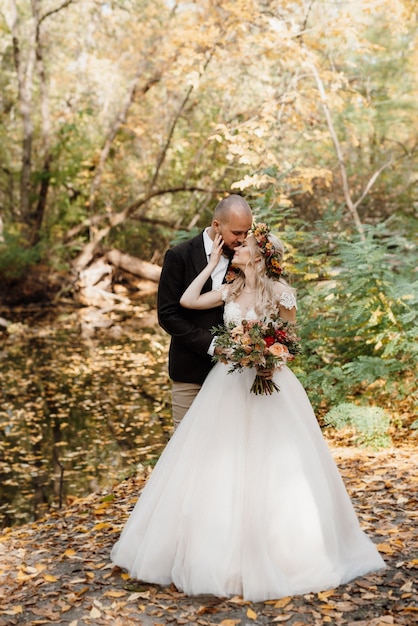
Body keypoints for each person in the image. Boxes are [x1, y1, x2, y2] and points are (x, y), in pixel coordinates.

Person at [111, 223, 385, 602]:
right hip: (226, 383)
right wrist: (208, 268)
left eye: (245, 244)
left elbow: (290, 342)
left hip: (272, 385)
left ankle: (284, 548)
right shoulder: (231, 288)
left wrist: (272, 358)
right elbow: (188, 302)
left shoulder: (283, 294)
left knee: (272, 464)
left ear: (260, 254)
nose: (237, 246)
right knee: (216, 464)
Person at [157, 194, 253, 428]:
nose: (242, 240)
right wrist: (212, 344)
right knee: (184, 446)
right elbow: (167, 315)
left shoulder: (245, 258)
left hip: (235, 377)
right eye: (237, 233)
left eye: (246, 233)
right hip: (190, 373)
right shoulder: (179, 256)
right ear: (217, 225)